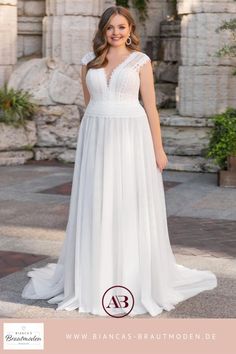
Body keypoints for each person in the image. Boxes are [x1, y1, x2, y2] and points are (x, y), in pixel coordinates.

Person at [21, 5, 217, 317]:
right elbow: (90, 105)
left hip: (132, 137)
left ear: (130, 30)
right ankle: (94, 276)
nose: (116, 32)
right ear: (103, 30)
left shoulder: (141, 61)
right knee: (97, 202)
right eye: (110, 27)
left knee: (127, 201)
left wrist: (159, 149)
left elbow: (151, 108)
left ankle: (131, 276)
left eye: (121, 27)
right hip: (96, 136)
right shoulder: (89, 61)